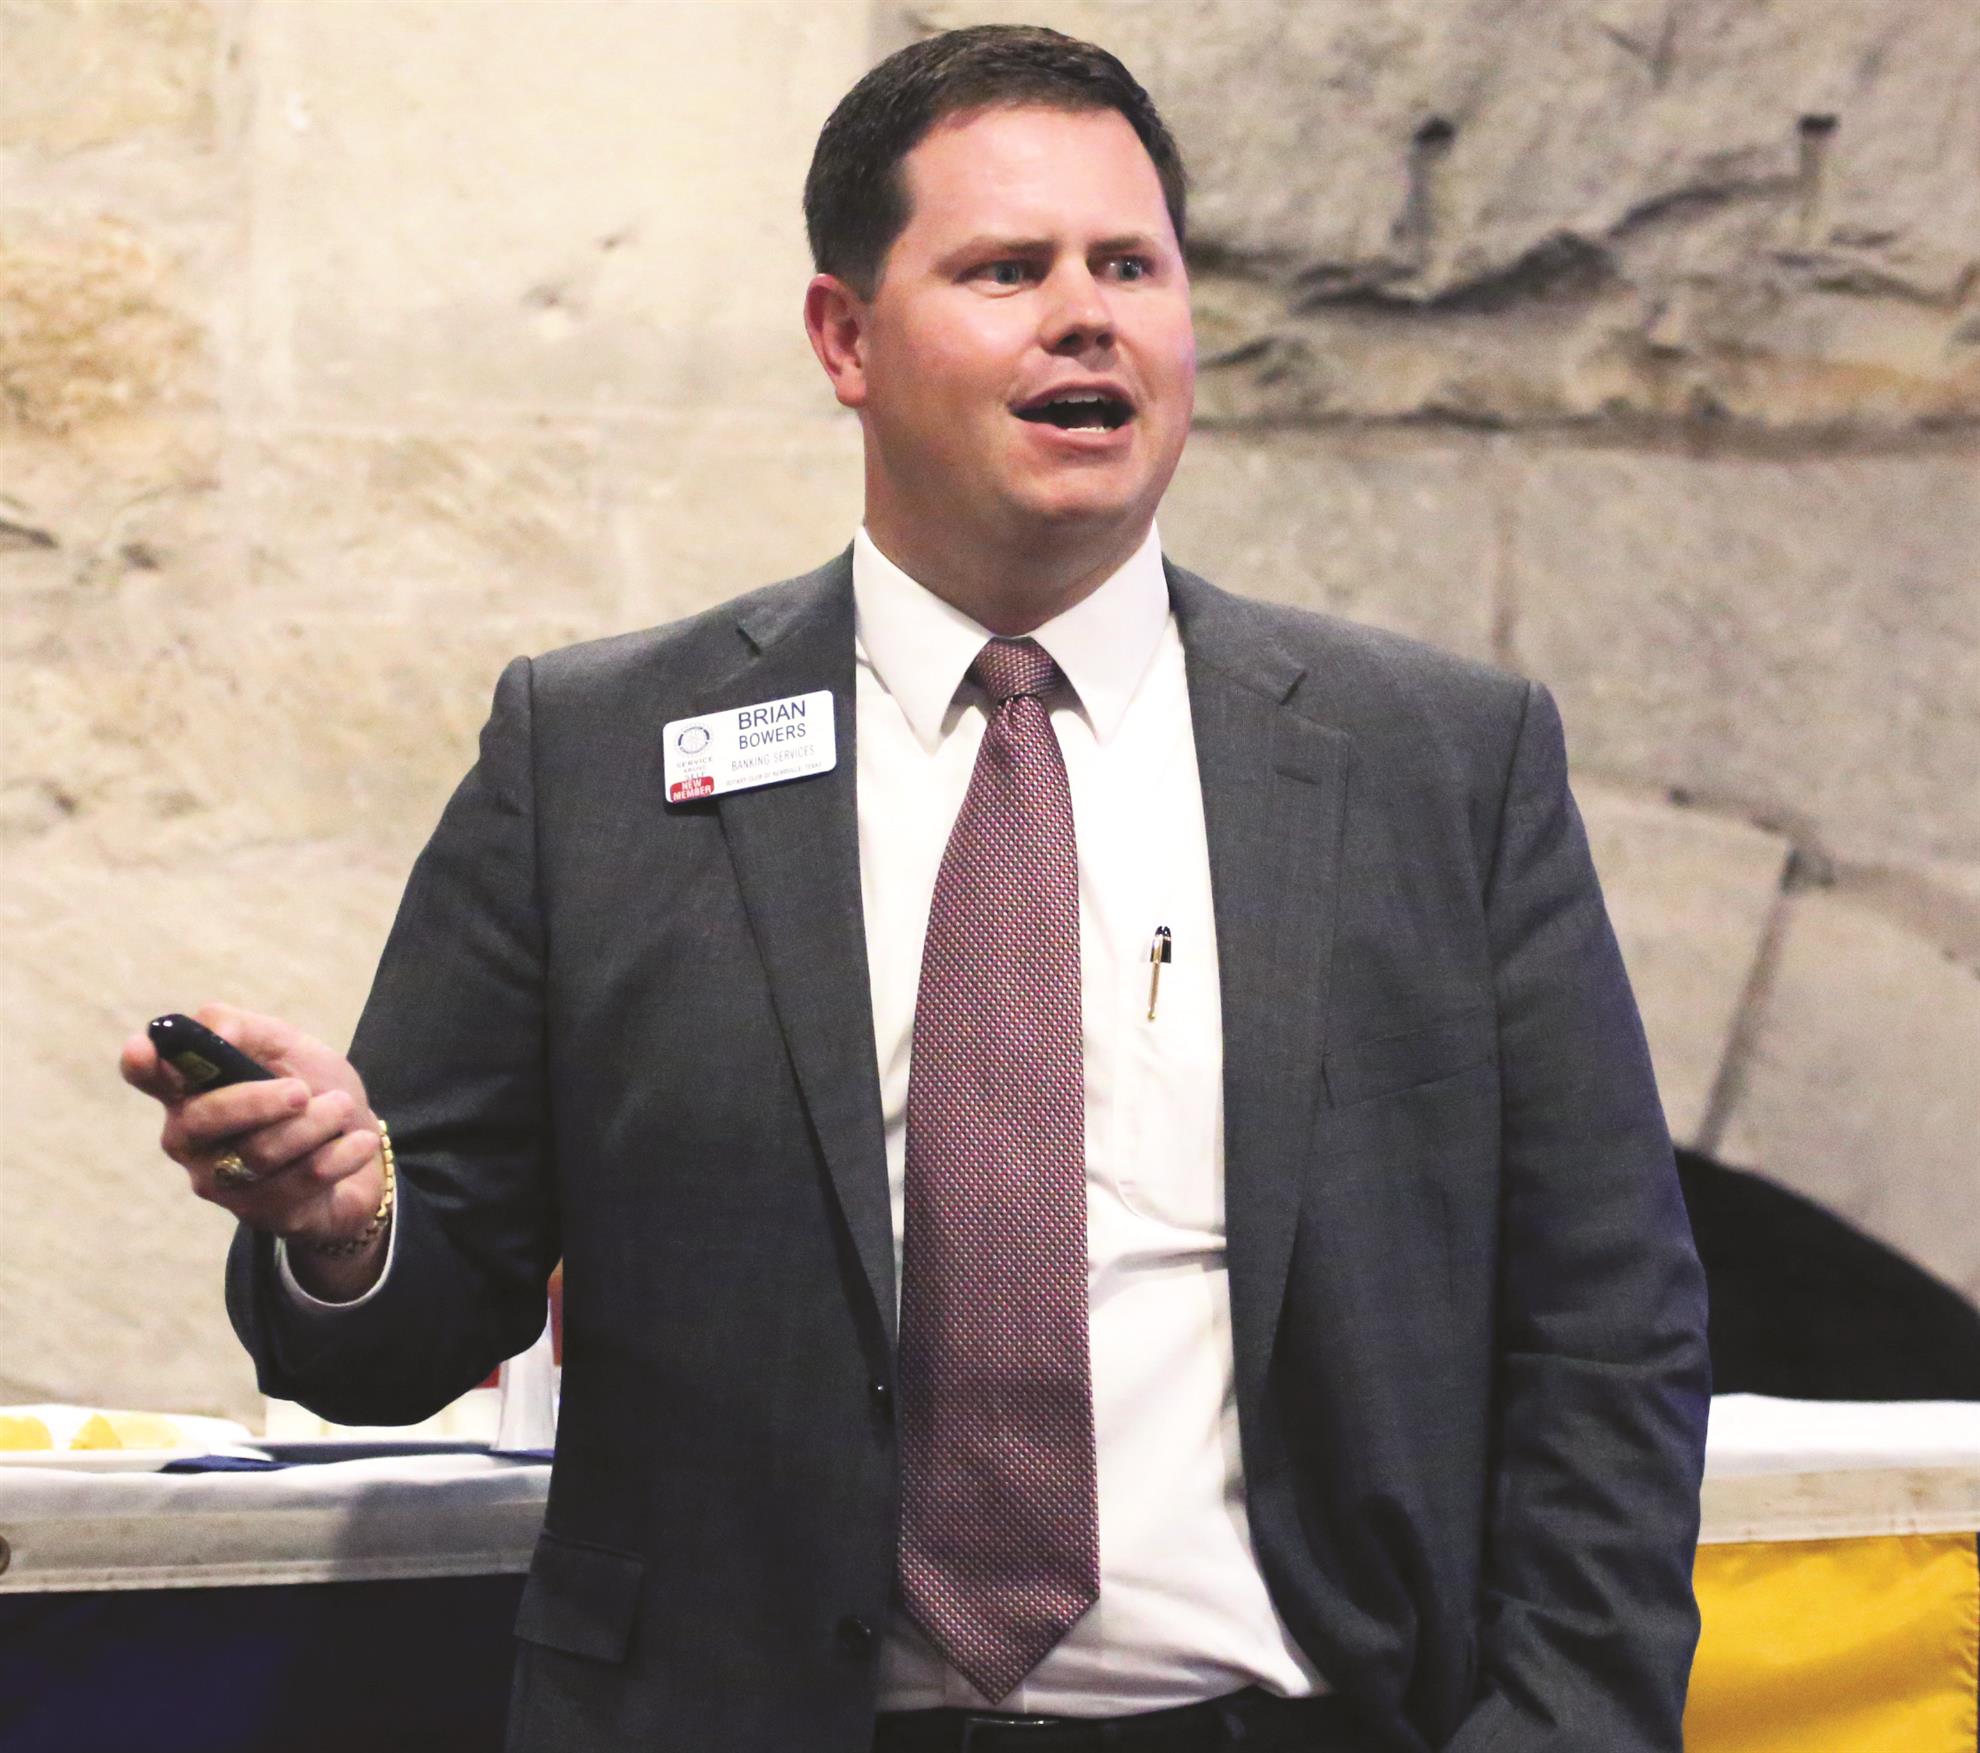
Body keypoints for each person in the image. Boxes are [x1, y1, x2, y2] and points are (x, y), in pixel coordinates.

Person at [121, 25, 1709, 1753]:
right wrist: (344, 1223)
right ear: (845, 337)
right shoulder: (597, 757)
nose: (1086, 314)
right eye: (1007, 268)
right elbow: (399, 1324)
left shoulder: (1436, 763)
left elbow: (1606, 1326)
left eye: (1131, 265)